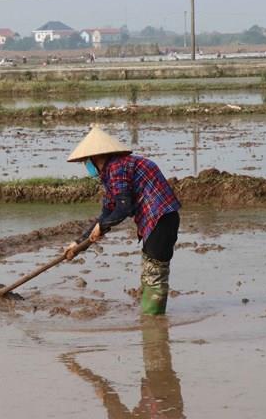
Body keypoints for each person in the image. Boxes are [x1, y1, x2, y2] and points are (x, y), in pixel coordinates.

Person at [64, 125, 181, 315]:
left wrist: (101, 227)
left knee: (154, 272)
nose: (86, 165)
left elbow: (123, 208)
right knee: (150, 271)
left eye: (86, 161)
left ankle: (154, 327)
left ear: (96, 157)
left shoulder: (118, 168)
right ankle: (152, 319)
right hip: (157, 221)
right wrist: (78, 244)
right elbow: (107, 213)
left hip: (161, 219)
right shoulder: (111, 174)